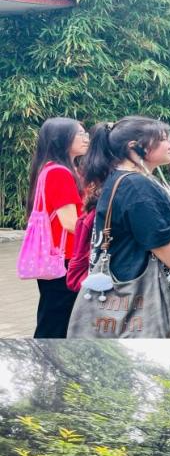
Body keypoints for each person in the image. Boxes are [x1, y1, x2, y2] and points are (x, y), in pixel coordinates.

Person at [79, 116, 170, 334]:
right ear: (134, 146)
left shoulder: (125, 178)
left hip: (126, 275)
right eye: (163, 139)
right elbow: (160, 242)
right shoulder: (135, 185)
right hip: (136, 283)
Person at [26, 117, 89, 337]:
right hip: (64, 258)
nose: (86, 138)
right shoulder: (59, 172)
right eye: (80, 134)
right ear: (60, 139)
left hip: (60, 255)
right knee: (55, 322)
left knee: (57, 317)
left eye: (86, 133)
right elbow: (71, 223)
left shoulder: (58, 169)